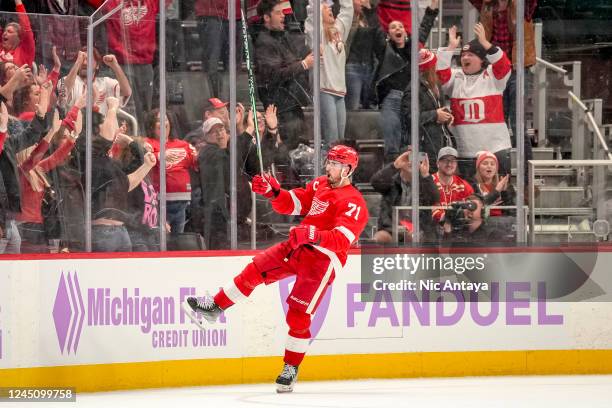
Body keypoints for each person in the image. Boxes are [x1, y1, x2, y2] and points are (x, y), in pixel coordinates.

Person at [184, 144, 368, 393]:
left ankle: (291, 368)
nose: (329, 167)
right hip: (297, 246)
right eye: (329, 162)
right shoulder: (320, 185)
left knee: (297, 315)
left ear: (347, 169)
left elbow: (341, 240)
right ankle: (215, 307)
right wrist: (273, 192)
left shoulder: (354, 203)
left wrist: (313, 233)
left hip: (322, 261)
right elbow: (293, 204)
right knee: (254, 270)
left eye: (335, 164)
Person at [469, 0, 538, 181]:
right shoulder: (487, 5)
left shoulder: (522, 5)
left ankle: (526, 178)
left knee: (517, 123)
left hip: (516, 70)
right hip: (495, 72)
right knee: (497, 125)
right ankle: (499, 178)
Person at [436, 23, 512, 178]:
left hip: (496, 148)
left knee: (501, 193)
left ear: (482, 60)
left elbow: (503, 65)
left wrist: (485, 43)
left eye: (470, 55)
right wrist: (450, 48)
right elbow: (440, 75)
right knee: (471, 196)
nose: (465, 57)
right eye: (463, 55)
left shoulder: (493, 77)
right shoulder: (456, 77)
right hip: (466, 150)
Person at [372, 0, 438, 161]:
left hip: (411, 98)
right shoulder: (383, 49)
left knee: (409, 140)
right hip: (392, 99)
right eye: (393, 27)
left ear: (406, 32)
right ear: (388, 34)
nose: (398, 29)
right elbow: (375, 26)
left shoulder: (414, 47)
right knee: (392, 138)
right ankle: (391, 171)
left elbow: (425, 27)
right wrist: (370, 10)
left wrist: (432, 8)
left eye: (400, 27)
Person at [255, 0, 313, 150]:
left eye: (283, 12)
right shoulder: (264, 42)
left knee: (300, 151)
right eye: (278, 13)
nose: (283, 16)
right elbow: (274, 75)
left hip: (291, 106)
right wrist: (304, 64)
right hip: (281, 110)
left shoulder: (282, 37)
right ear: (266, 17)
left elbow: (291, 62)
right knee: (289, 154)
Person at [305, 0, 353, 147]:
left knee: (340, 141)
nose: (330, 8)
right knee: (331, 140)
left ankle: (340, 169)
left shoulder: (338, 31)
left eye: (330, 6)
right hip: (324, 91)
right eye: (325, 7)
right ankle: (328, 169)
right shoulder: (317, 35)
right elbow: (313, 13)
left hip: (340, 93)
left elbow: (347, 10)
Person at [144, 109, 198, 234]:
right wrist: (160, 155)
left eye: (165, 120)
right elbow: (142, 160)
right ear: (151, 124)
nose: (163, 123)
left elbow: (197, 164)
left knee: (176, 243)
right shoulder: (148, 143)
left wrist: (200, 153)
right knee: (161, 241)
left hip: (182, 202)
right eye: (158, 120)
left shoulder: (183, 145)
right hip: (159, 202)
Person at [400, 48, 454, 173]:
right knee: (423, 177)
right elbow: (409, 118)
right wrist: (435, 115)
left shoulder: (435, 84)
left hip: (437, 140)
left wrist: (447, 115)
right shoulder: (413, 89)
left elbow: (437, 108)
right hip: (421, 144)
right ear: (429, 67)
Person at [370, 147, 439, 243]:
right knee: (380, 237)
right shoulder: (390, 180)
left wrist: (426, 175)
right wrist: (394, 166)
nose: (411, 162)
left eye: (415, 159)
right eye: (407, 158)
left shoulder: (424, 182)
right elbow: (375, 183)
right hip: (391, 229)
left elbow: (434, 199)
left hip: (417, 229)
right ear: (400, 159)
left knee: (413, 236)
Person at [58, 49, 132, 117]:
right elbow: (64, 92)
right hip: (75, 129)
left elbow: (127, 92)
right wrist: (77, 63)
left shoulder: (106, 83)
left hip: (102, 129)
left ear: (97, 66)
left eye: (88, 60)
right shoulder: (66, 80)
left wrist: (115, 65)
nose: (84, 62)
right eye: (82, 59)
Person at [197, 117, 231, 249]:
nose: (219, 133)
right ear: (206, 136)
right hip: (214, 210)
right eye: (213, 131)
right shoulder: (208, 152)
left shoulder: (223, 151)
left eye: (221, 129)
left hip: (222, 209)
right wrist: (223, 146)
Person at [344, 0, 379, 110]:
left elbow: (377, 33)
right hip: (352, 65)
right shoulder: (346, 18)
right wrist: (353, 13)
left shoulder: (370, 18)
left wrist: (369, 9)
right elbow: (348, 37)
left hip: (369, 67)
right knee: (352, 105)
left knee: (370, 106)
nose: (362, 2)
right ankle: (350, 127)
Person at [431, 146, 474, 227]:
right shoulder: (430, 183)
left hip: (457, 231)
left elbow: (471, 211)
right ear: (437, 163)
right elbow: (427, 211)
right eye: (445, 160)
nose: (449, 164)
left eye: (453, 161)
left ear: (456, 164)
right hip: (432, 230)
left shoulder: (464, 186)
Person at [470, 150, 515, 216]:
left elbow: (512, 213)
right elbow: (477, 206)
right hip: (482, 222)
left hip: (501, 222)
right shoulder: (471, 184)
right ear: (478, 167)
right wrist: (496, 191)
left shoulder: (505, 185)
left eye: (492, 164)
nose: (489, 166)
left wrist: (505, 193)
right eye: (485, 163)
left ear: (496, 169)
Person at [0, 0, 35, 67]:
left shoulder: (24, 52)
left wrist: (17, 1)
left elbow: (26, 25)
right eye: (4, 31)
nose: (4, 33)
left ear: (19, 37)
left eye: (9, 31)